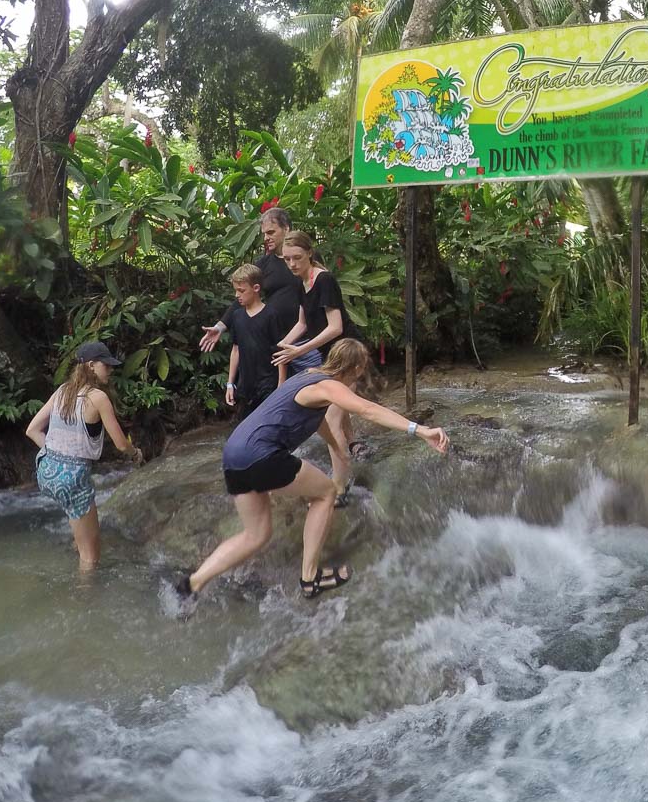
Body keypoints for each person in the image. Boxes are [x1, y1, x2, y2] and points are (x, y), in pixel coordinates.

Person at [174, 338, 448, 602]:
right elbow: (367, 409)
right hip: (262, 455)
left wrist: (335, 445)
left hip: (234, 454)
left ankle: (192, 584)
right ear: (356, 368)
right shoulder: (328, 386)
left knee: (255, 535)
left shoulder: (307, 375)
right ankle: (310, 578)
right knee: (326, 493)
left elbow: (314, 418)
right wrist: (420, 429)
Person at [24, 341, 143, 570]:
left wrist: (54, 454)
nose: (110, 370)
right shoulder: (98, 397)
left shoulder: (62, 391)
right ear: (90, 365)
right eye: (106, 365)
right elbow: (120, 444)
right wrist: (135, 452)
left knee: (75, 516)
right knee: (91, 557)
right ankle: (84, 597)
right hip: (73, 479)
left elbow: (32, 430)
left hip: (46, 472)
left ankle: (77, 542)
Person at [271, 230, 365, 498]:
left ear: (309, 254)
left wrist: (298, 350)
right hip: (331, 355)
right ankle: (354, 447)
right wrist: (279, 347)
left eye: (297, 258)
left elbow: (335, 328)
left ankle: (339, 485)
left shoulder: (324, 280)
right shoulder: (302, 283)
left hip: (348, 354)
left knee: (331, 417)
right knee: (340, 407)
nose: (291, 264)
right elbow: (302, 324)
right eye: (287, 259)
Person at [198, 207, 299, 354]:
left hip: (305, 340)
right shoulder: (263, 264)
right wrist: (220, 327)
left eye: (271, 232)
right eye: (264, 234)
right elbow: (243, 295)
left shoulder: (306, 258)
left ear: (287, 229)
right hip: (276, 340)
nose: (266, 238)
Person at [221, 263, 286, 421]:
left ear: (256, 288)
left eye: (241, 291)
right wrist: (230, 383)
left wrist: (281, 386)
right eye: (235, 290)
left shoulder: (271, 315)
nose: (237, 295)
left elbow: (281, 352)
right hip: (245, 386)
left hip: (268, 385)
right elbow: (235, 350)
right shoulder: (237, 316)